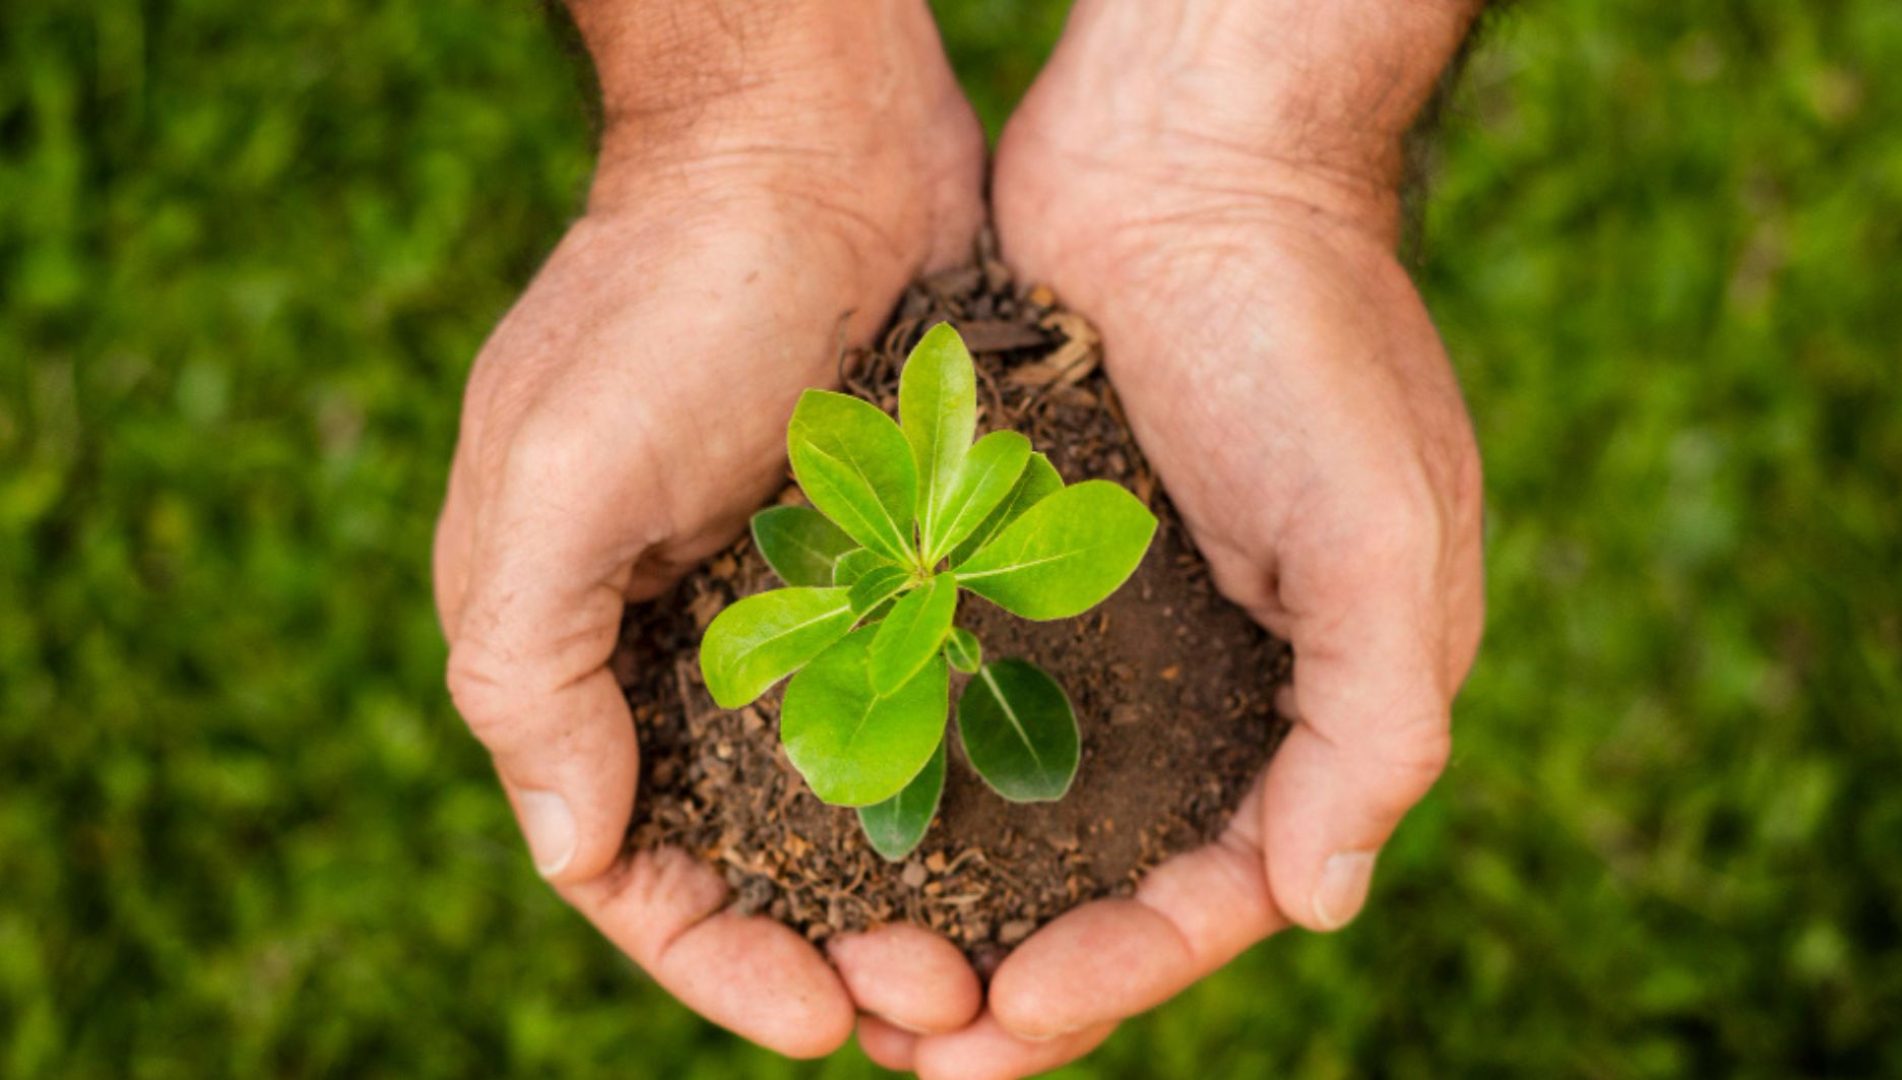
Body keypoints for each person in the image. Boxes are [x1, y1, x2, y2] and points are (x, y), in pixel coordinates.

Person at [431, 1, 1486, 1075]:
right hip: (891, 604)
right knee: (869, 664)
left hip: (947, 576)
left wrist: (1263, 165)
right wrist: (734, 133)